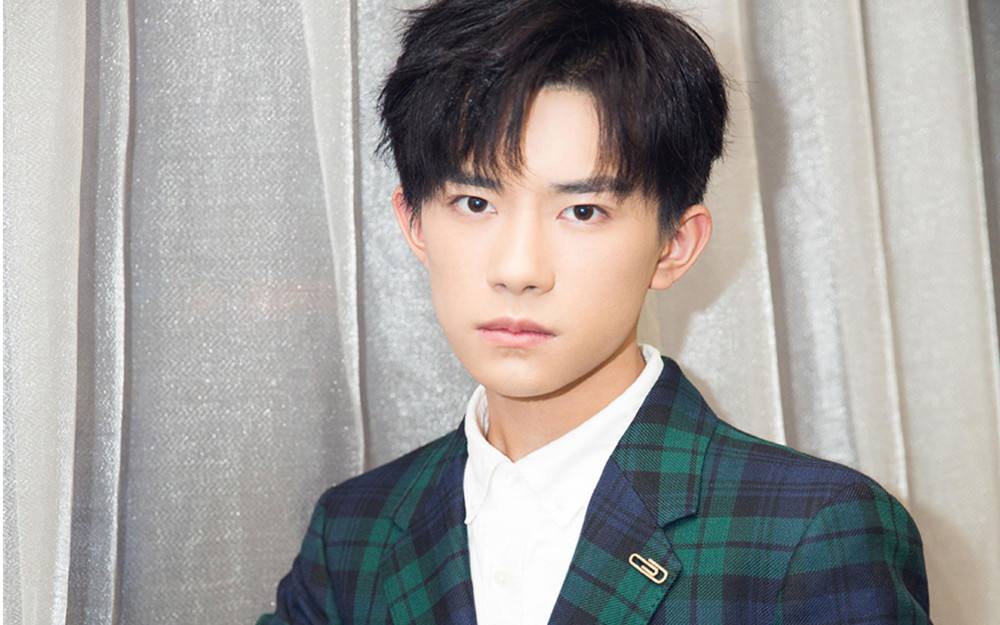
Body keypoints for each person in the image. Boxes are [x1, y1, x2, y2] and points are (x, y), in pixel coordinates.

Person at [256, 1, 932, 623]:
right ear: (414, 224)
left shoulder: (811, 533)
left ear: (674, 244)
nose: (519, 269)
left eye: (583, 211)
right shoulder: (352, 533)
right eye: (475, 203)